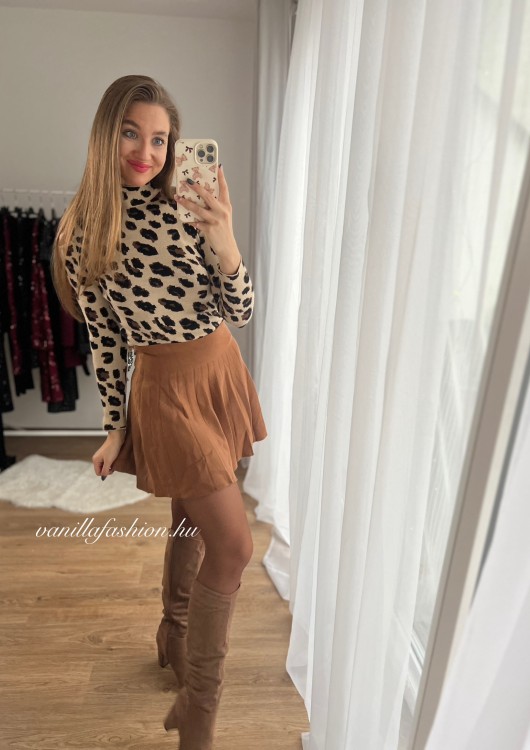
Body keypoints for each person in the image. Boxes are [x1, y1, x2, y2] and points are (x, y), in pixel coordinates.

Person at [52, 74, 268, 749]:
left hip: (219, 368)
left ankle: (175, 633)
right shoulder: (83, 231)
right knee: (234, 546)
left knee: (190, 515)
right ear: (105, 133)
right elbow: (106, 340)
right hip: (166, 390)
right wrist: (114, 427)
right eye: (130, 133)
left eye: (160, 139)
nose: (146, 152)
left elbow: (241, 310)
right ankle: (198, 712)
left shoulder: (188, 202)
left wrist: (226, 242)